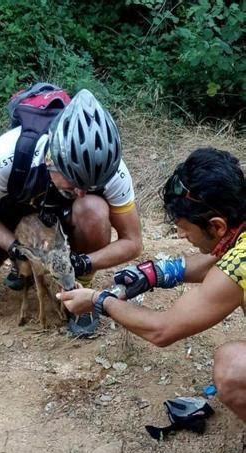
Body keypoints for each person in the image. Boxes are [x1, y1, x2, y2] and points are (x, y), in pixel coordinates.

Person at [57, 147, 246, 421]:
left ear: (217, 226)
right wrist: (154, 273)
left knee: (232, 368)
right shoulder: (238, 233)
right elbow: (221, 260)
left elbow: (163, 330)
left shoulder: (240, 262)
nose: (180, 235)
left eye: (184, 227)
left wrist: (99, 300)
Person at [0, 89, 142, 336]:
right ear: (49, 160)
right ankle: (17, 262)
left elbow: (132, 242)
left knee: (94, 208)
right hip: (11, 209)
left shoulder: (112, 169)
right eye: (73, 182)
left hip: (63, 215)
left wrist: (81, 264)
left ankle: (80, 292)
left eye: (91, 185)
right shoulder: (8, 154)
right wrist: (13, 246)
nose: (81, 191)